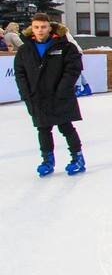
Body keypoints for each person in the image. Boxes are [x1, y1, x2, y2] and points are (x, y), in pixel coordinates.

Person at [14, 13, 87, 176]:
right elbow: (20, 73)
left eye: (43, 27)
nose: (40, 30)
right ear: (31, 28)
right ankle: (47, 160)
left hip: (60, 95)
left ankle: (78, 158)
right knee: (43, 129)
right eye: (36, 27)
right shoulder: (25, 50)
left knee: (66, 127)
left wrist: (62, 89)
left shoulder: (65, 46)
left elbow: (73, 68)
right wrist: (26, 94)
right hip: (38, 97)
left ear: (49, 27)